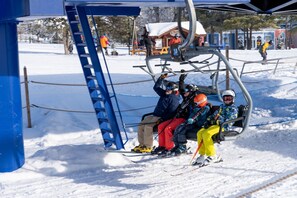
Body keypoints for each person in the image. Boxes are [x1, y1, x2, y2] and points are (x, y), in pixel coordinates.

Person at [151, 73, 198, 155]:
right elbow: (182, 89)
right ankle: (162, 146)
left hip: (184, 119)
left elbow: (200, 107)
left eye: (187, 91)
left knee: (167, 128)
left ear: (191, 92)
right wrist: (181, 80)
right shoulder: (186, 98)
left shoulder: (194, 100)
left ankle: (169, 147)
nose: (184, 92)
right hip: (177, 118)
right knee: (160, 126)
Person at [131, 74, 180, 153]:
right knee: (141, 125)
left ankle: (148, 146)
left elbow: (172, 113)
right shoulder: (164, 94)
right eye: (167, 88)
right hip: (155, 115)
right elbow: (156, 88)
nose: (167, 90)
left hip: (161, 117)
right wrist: (161, 79)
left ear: (174, 90)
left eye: (169, 89)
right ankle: (142, 144)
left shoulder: (174, 99)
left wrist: (162, 119)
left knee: (148, 127)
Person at [192, 90, 238, 166]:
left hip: (223, 126)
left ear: (233, 99)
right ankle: (202, 155)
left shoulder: (233, 109)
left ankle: (212, 155)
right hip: (215, 125)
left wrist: (218, 119)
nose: (227, 101)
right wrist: (208, 121)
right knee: (200, 133)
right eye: (225, 99)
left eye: (229, 99)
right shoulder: (222, 106)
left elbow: (229, 120)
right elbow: (214, 115)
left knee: (207, 134)